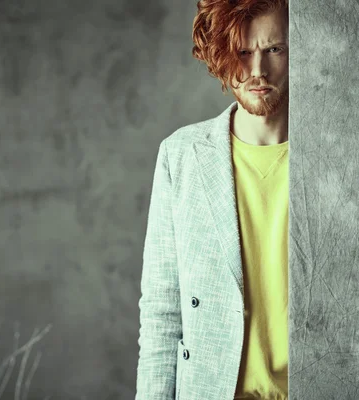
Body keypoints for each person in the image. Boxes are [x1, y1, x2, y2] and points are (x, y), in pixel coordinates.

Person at [136, 0, 289, 398]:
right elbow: (162, 311)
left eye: (274, 49)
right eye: (242, 52)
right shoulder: (182, 155)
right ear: (221, 53)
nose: (257, 71)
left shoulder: (335, 157)